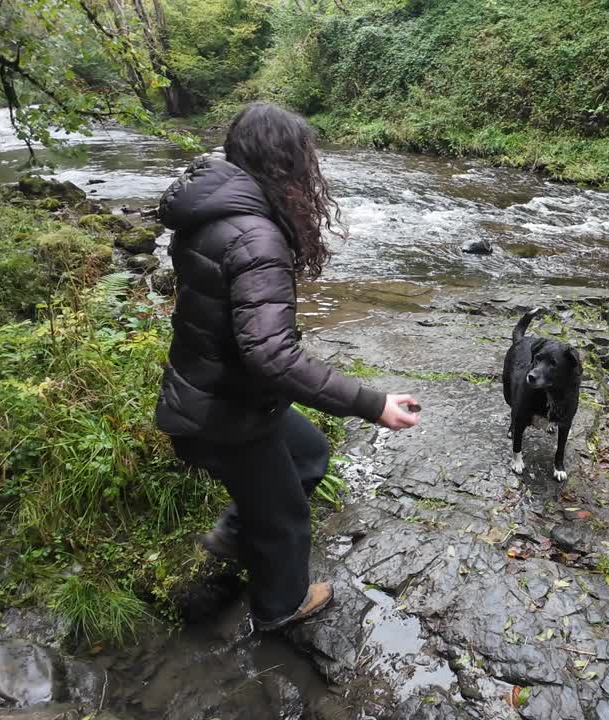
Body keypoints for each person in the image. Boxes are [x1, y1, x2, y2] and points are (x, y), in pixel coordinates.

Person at [154, 103, 421, 631]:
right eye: (305, 157)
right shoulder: (255, 236)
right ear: (284, 163)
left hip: (217, 394)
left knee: (307, 453)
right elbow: (271, 355)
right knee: (285, 521)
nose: (311, 168)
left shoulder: (208, 214)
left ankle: (236, 533)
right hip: (224, 415)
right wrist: (372, 404)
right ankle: (280, 608)